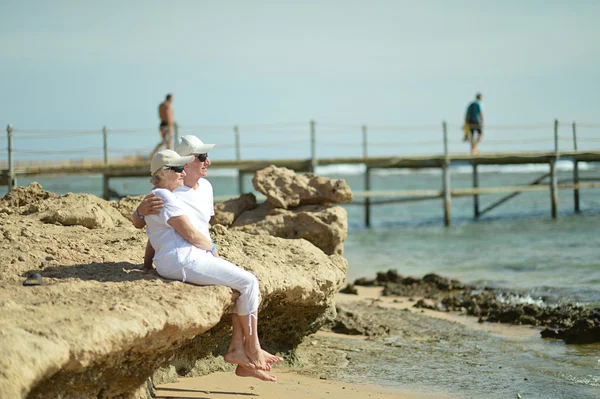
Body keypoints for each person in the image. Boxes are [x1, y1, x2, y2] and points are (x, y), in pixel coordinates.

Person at [133, 138, 281, 382]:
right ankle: (252, 349)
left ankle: (237, 350)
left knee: (239, 286)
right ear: (186, 162)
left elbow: (174, 231)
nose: (207, 161)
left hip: (192, 255)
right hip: (187, 257)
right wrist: (212, 250)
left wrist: (148, 264)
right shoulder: (168, 194)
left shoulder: (206, 188)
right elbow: (173, 230)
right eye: (201, 157)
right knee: (249, 283)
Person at [150, 94, 175, 159]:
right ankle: (168, 156)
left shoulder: (161, 105)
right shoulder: (167, 106)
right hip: (167, 126)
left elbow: (160, 116)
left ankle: (153, 153)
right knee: (168, 141)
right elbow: (168, 117)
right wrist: (170, 126)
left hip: (162, 124)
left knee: (165, 141)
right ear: (170, 99)